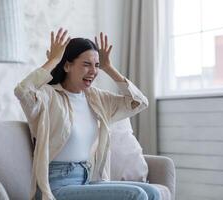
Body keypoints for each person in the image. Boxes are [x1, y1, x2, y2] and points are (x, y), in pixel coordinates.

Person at [14, 28, 160, 200]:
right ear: (67, 65)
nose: (93, 71)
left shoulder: (96, 98)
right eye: (86, 64)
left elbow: (139, 103)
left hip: (87, 179)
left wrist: (108, 67)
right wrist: (54, 59)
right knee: (136, 195)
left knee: (153, 192)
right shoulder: (48, 96)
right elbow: (23, 91)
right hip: (55, 186)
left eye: (96, 65)